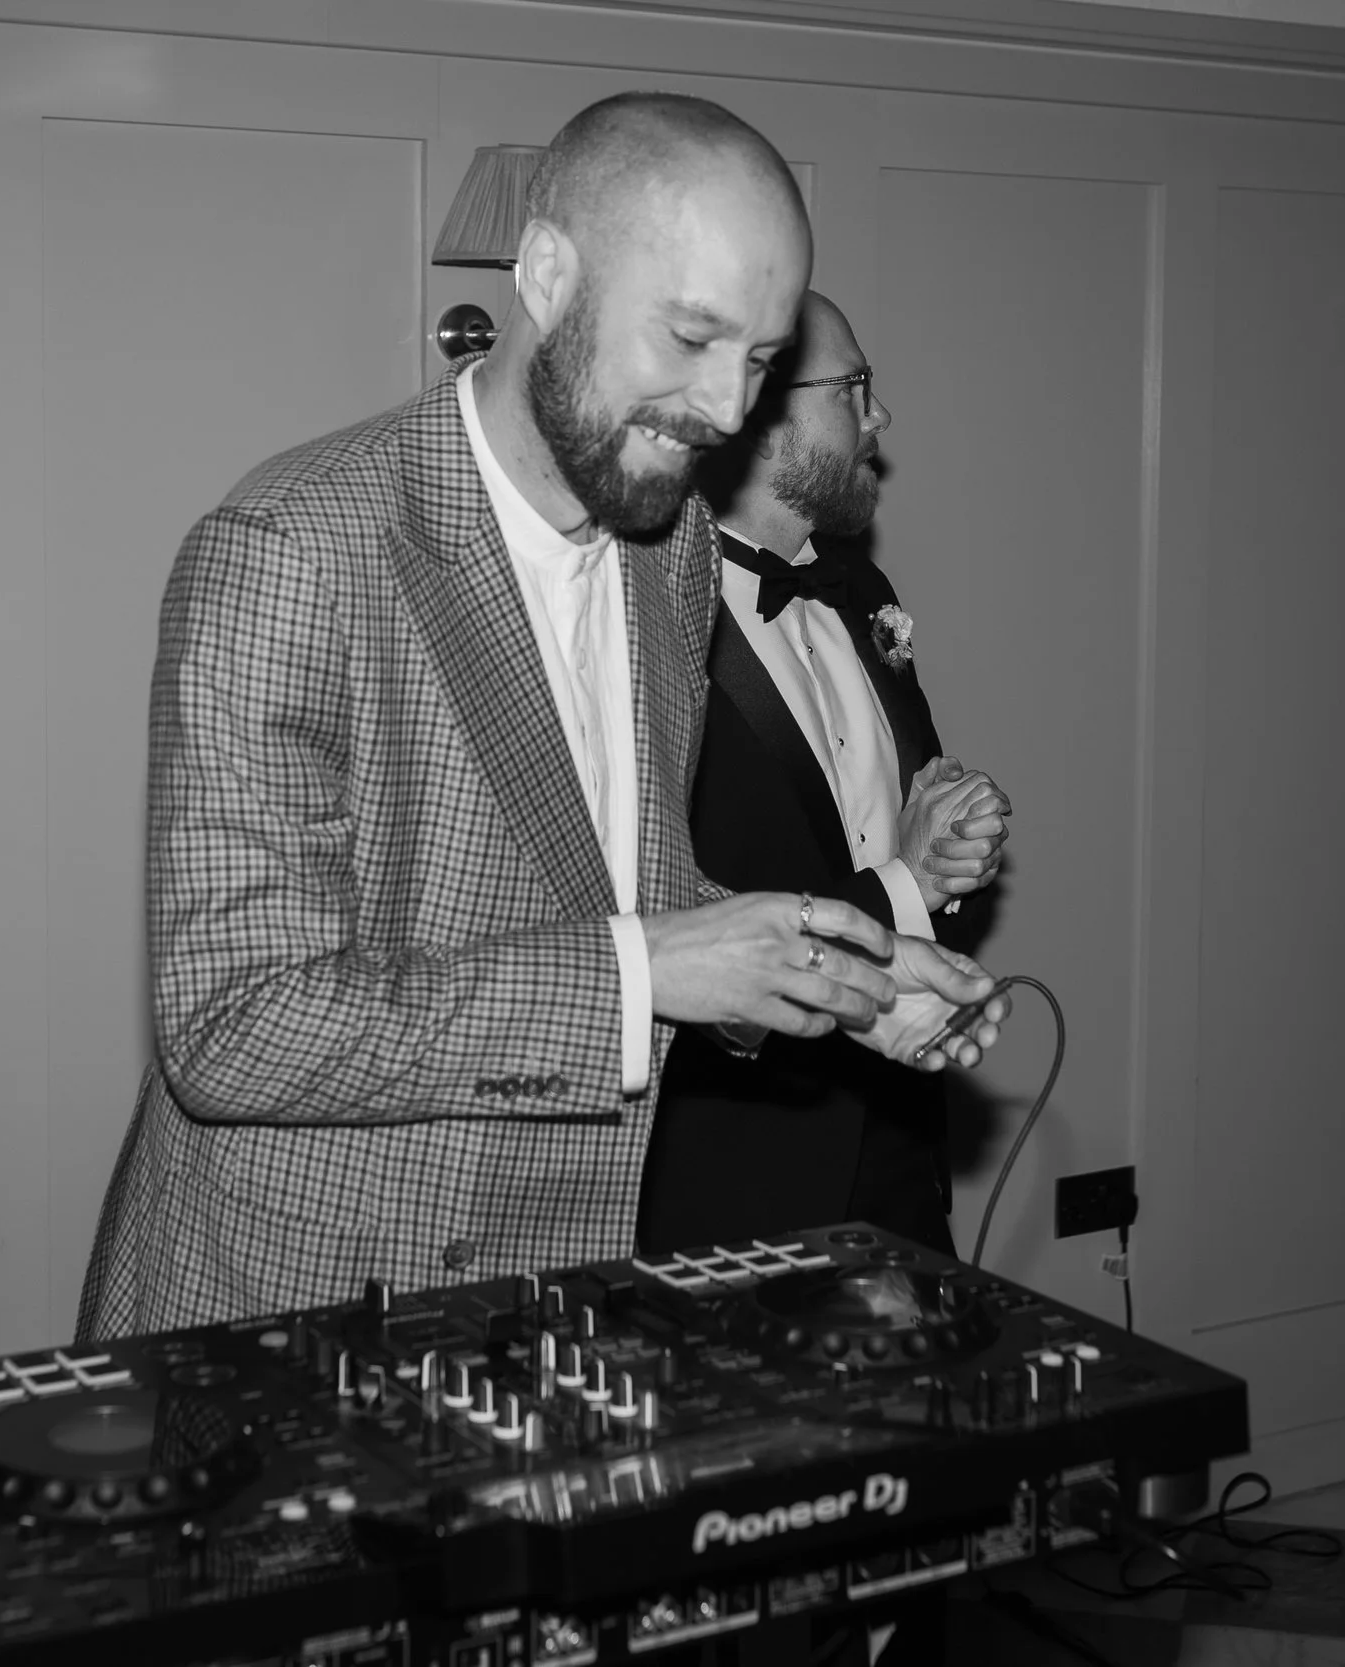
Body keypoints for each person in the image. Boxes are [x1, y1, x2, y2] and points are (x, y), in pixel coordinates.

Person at [78, 94, 1007, 1339]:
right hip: (297, 1318)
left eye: (762, 359)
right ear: (550, 274)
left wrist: (840, 984)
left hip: (556, 1295)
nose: (727, 409)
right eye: (688, 335)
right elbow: (232, 1025)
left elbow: (635, 889)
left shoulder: (665, 543)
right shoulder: (289, 551)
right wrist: (645, 974)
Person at [639, 291, 1011, 1259]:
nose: (877, 418)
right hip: (741, 1169)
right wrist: (907, 884)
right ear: (761, 416)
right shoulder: (652, 628)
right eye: (853, 388)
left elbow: (897, 821)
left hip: (898, 1131)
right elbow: (681, 908)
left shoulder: (861, 590)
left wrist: (949, 849)